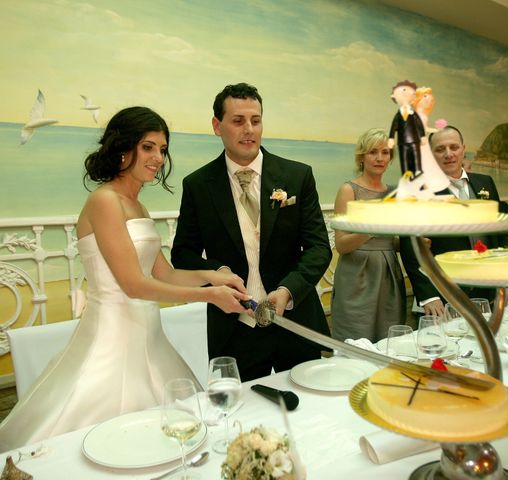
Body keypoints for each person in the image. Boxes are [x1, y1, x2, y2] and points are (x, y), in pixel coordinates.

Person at [0, 106, 252, 451]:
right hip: (112, 338)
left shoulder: (138, 206)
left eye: (162, 149)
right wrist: (210, 296)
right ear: (123, 148)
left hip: (149, 337)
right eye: (148, 147)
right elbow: (133, 284)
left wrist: (214, 275)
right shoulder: (105, 201)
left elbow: (165, 273)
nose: (158, 158)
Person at [171, 83, 332, 382]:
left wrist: (287, 291)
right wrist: (217, 273)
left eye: (255, 121)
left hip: (294, 323)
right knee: (242, 417)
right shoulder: (197, 185)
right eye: (238, 121)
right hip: (233, 331)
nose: (249, 129)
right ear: (217, 126)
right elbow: (183, 253)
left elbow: (319, 247)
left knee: (307, 408)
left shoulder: (297, 176)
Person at [400, 125, 508, 318]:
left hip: (487, 292)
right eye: (440, 149)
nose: (448, 154)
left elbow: (500, 234)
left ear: (463, 149)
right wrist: (429, 296)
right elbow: (410, 246)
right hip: (444, 294)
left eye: (454, 147)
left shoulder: (485, 183)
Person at [331, 128, 406, 342]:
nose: (380, 158)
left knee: (390, 340)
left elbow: (392, 240)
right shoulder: (348, 190)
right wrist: (371, 228)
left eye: (385, 152)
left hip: (389, 274)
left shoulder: (395, 193)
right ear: (362, 156)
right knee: (355, 340)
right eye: (373, 152)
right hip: (357, 276)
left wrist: (416, 244)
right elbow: (341, 245)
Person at [387, 80, 426, 179]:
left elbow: (419, 125)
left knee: (416, 156)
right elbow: (394, 126)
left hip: (414, 140)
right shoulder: (398, 115)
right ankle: (406, 174)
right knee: (404, 159)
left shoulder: (413, 113)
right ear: (393, 97)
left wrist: (422, 135)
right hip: (402, 142)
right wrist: (391, 137)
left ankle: (418, 171)